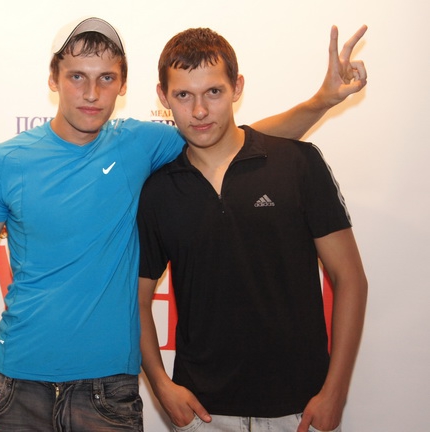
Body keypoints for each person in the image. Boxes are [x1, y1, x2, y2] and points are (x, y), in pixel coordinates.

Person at [0, 17, 368, 432]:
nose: (91, 93)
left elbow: (233, 139)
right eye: (77, 76)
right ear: (53, 79)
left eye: (106, 78)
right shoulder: (4, 162)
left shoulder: (140, 143)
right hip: (16, 383)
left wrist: (321, 102)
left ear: (123, 86)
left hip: (108, 391)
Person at [137, 27, 368, 432]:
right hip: (202, 414)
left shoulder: (297, 163)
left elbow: (350, 278)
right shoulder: (157, 190)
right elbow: (136, 300)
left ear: (237, 87)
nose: (199, 110)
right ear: (163, 96)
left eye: (213, 92)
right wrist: (160, 385)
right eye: (183, 95)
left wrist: (336, 392)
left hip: (300, 409)